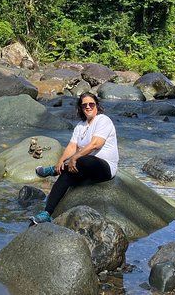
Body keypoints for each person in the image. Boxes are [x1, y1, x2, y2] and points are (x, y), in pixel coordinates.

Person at [29, 92, 119, 224]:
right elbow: (72, 146)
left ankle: (52, 171)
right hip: (85, 167)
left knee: (81, 160)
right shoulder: (80, 126)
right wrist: (60, 161)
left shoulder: (103, 120)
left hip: (104, 167)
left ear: (97, 106)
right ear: (81, 108)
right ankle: (47, 212)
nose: (88, 107)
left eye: (91, 104)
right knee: (66, 173)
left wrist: (74, 157)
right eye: (84, 105)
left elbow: (96, 144)